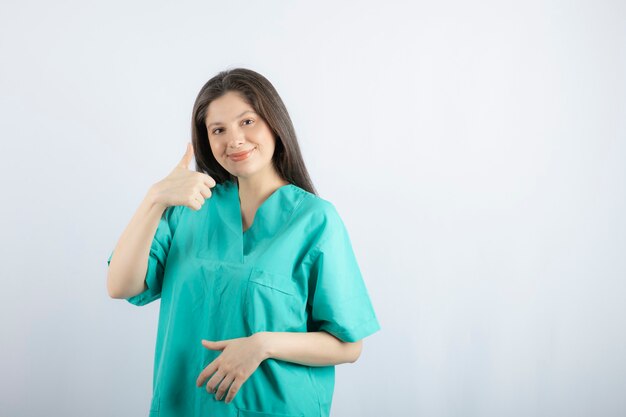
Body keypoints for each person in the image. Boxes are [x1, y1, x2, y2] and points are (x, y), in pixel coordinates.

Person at [106, 68, 381, 417]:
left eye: (247, 122)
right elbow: (120, 285)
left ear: (273, 123)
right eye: (218, 130)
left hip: (275, 407)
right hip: (185, 406)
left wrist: (262, 345)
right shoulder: (189, 209)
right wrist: (154, 199)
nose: (234, 139)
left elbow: (348, 344)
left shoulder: (315, 220)